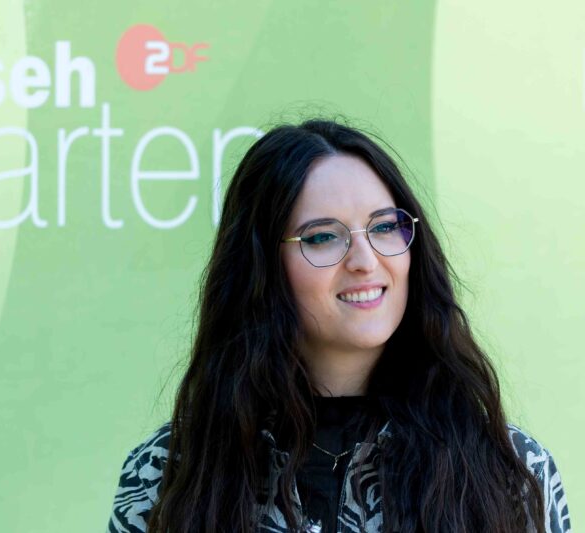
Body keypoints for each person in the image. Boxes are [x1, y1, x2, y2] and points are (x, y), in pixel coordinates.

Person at [106, 118, 571, 532]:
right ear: (262, 267)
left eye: (384, 227)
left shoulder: (512, 473)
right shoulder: (168, 474)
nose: (365, 260)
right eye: (324, 237)